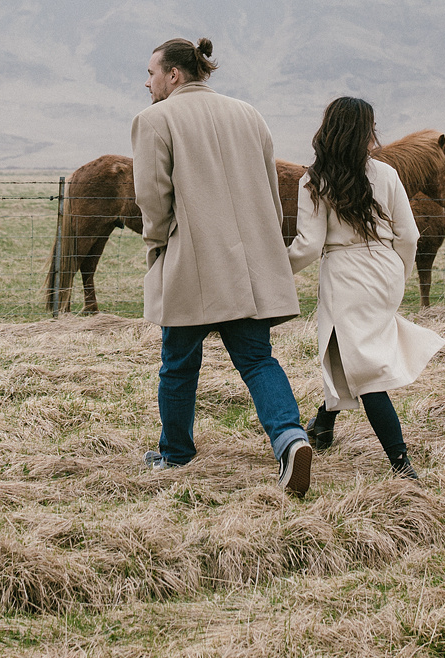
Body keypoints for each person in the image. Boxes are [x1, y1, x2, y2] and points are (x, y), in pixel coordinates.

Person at [132, 36, 315, 496]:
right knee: (257, 359)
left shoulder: (155, 120)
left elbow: (152, 199)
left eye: (151, 73)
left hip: (191, 262)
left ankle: (176, 453)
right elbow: (271, 191)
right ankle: (291, 440)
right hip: (248, 267)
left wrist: (159, 243)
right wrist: (265, 242)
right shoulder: (248, 114)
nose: (146, 83)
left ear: (173, 75)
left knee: (177, 363)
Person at [287, 96, 444, 479]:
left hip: (346, 275)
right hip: (386, 269)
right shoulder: (386, 175)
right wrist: (399, 275)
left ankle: (401, 464)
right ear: (366, 132)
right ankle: (324, 425)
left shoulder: (315, 180)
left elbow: (308, 245)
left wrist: (274, 270)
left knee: (367, 370)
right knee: (346, 349)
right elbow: (408, 235)